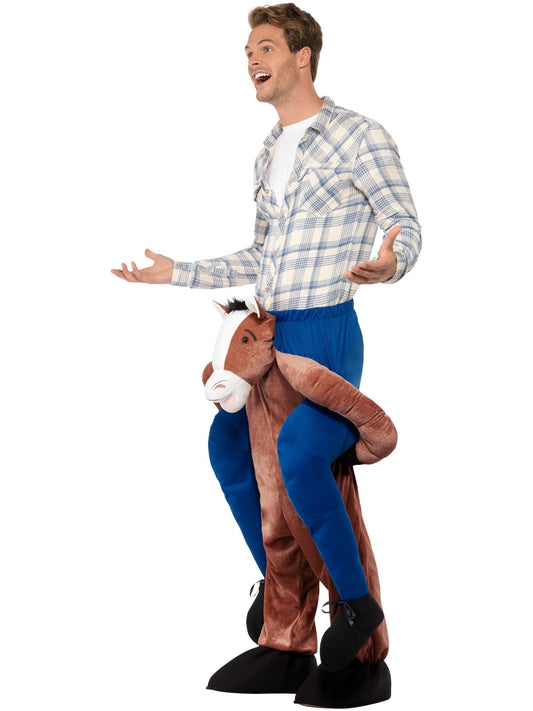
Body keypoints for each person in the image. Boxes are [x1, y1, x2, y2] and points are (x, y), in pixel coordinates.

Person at [111, 2, 421, 675]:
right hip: (270, 335)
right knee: (229, 449)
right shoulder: (268, 150)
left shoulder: (360, 135)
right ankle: (285, 601)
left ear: (303, 57)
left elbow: (405, 223)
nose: (252, 59)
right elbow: (260, 256)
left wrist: (390, 262)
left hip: (325, 333)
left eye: (266, 47)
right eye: (248, 51)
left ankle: (356, 608)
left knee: (303, 456)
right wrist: (177, 272)